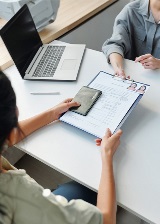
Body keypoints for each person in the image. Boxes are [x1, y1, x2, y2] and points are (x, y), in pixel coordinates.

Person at [0, 71, 123, 224]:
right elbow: (107, 220)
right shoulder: (19, 195)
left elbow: (10, 136)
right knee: (95, 190)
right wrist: (107, 155)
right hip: (36, 208)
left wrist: (52, 114)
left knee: (77, 189)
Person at [102, 0, 160, 79]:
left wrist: (158, 63)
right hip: (131, 77)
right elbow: (114, 45)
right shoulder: (131, 10)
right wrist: (119, 69)